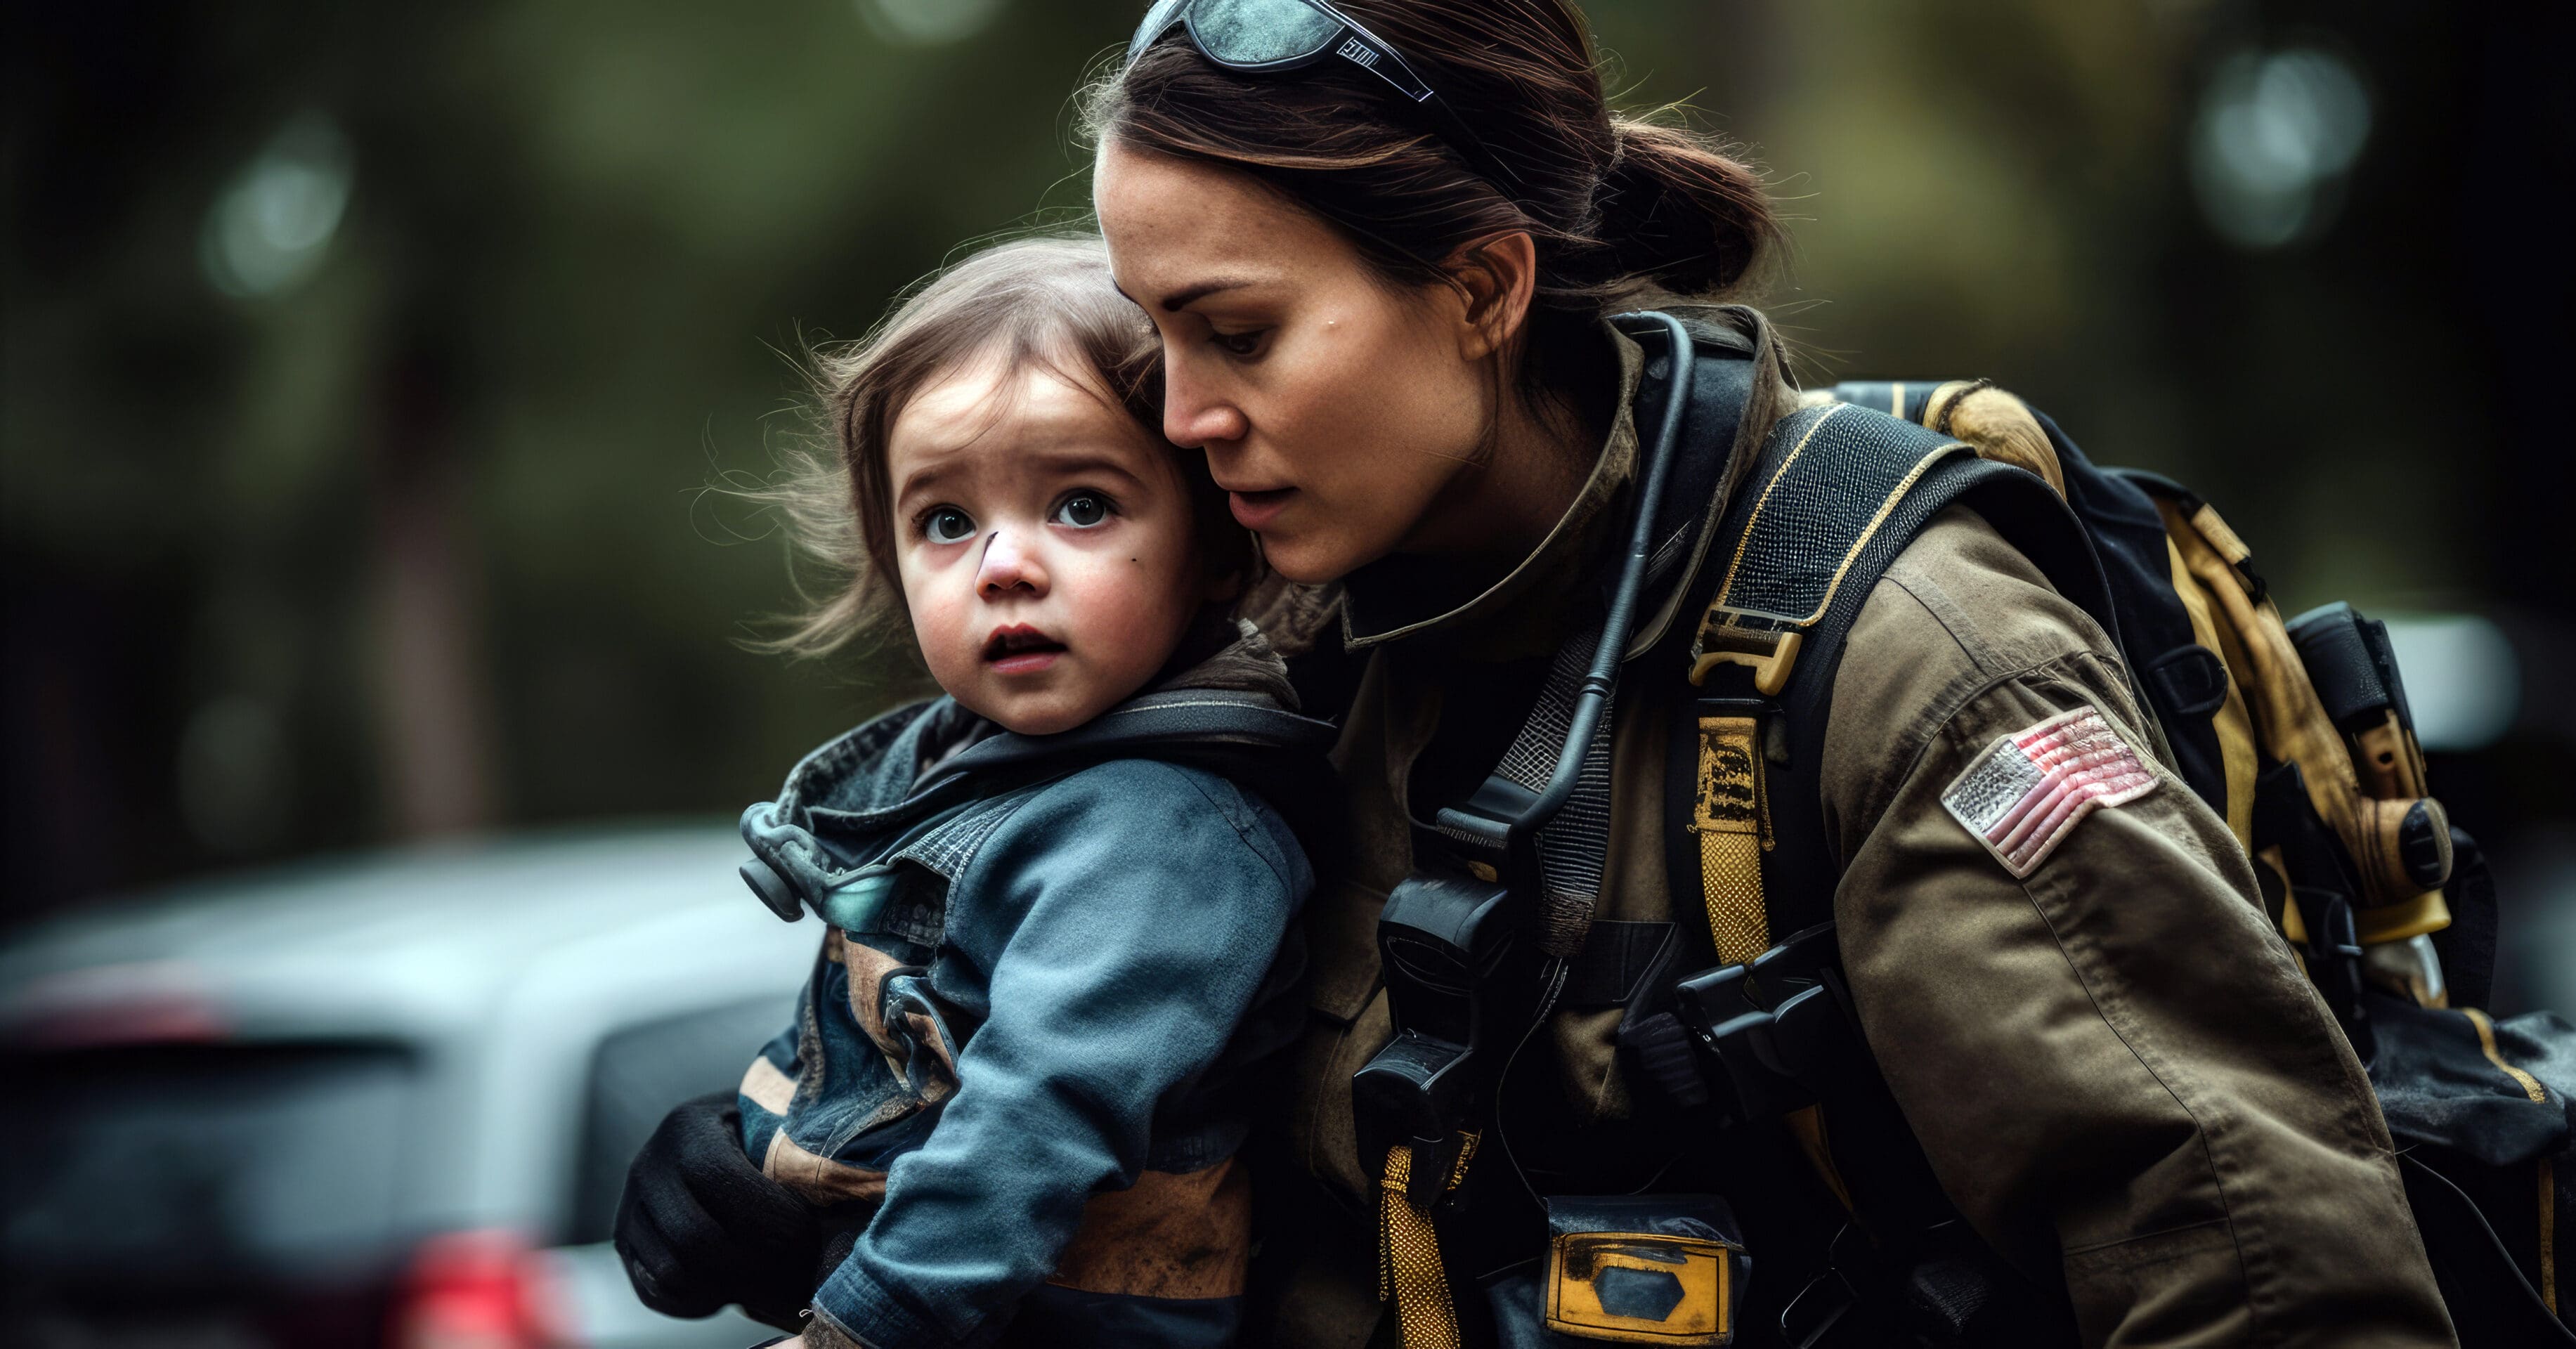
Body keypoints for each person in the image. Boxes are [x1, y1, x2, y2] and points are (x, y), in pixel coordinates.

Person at [621, 4, 2458, 1346]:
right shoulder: (1291, 668)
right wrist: (797, 1174)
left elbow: (2260, 1268)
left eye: (1236, 331)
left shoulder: (1904, 657)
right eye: (1156, 337)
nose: (1182, 419)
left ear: (1486, 290)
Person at [665, 235, 1329, 1349]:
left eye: (1081, 506)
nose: (1002, 565)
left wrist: (859, 1331)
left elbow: (1034, 1119)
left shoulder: (1167, 835)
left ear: (1217, 551)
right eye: (945, 521)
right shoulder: (955, 781)